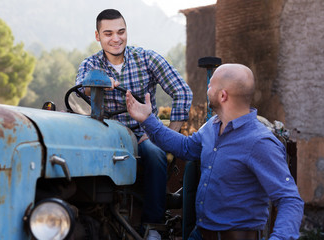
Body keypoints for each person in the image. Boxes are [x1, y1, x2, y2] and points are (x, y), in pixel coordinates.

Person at [125, 63, 304, 240]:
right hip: (201, 233)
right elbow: (185, 147)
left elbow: (289, 199)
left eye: (210, 85)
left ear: (223, 95)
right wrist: (148, 119)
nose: (207, 89)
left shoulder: (260, 142)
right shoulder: (212, 126)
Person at [75, 9, 193, 239]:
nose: (116, 38)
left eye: (121, 32)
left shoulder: (146, 58)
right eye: (108, 33)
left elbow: (182, 91)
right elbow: (81, 88)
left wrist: (167, 134)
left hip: (144, 134)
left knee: (154, 152)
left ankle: (153, 226)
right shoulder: (91, 64)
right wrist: (97, 83)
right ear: (98, 36)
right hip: (107, 135)